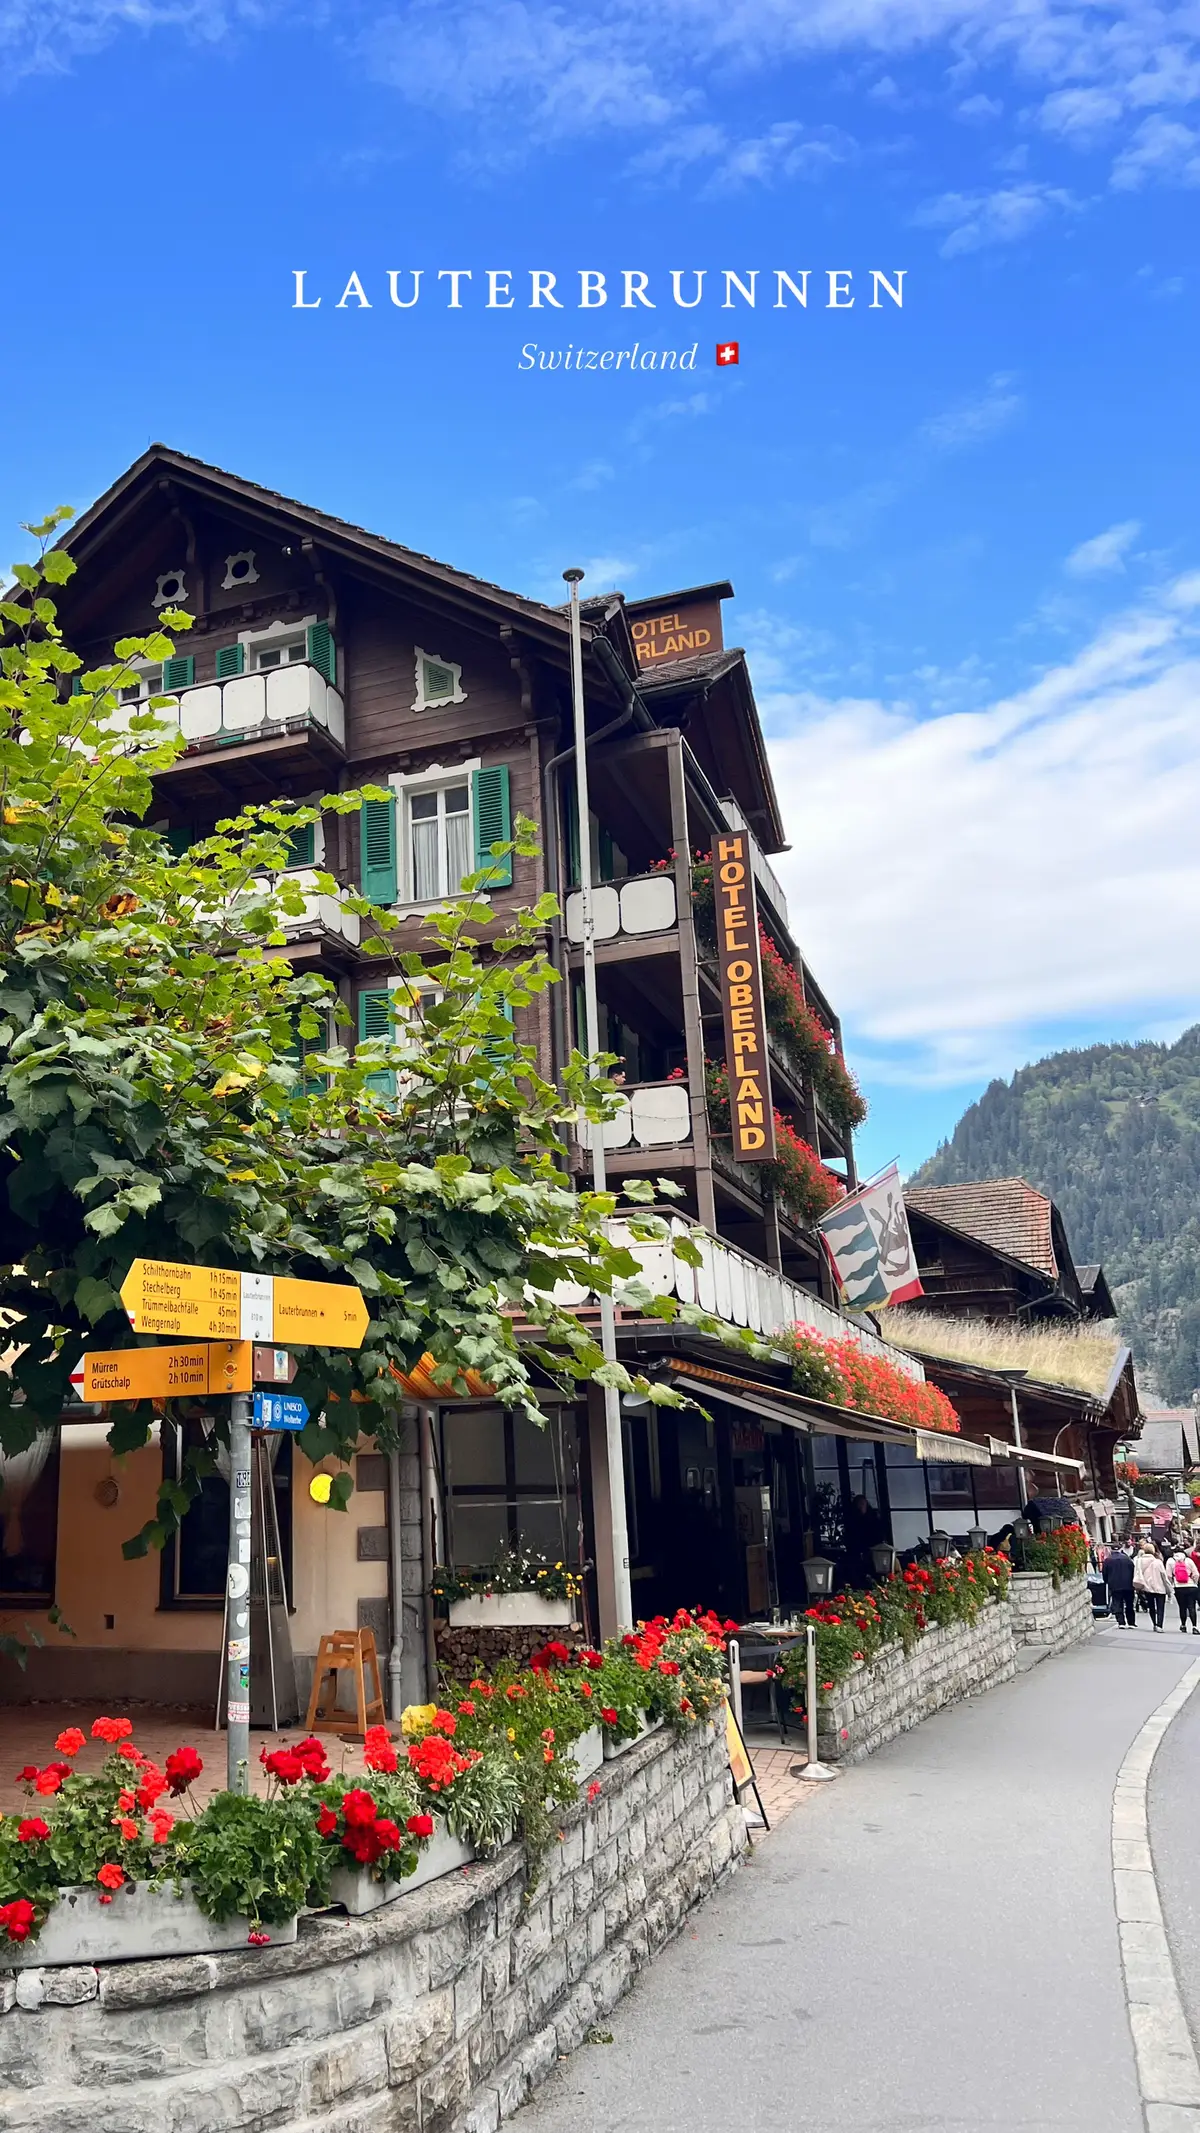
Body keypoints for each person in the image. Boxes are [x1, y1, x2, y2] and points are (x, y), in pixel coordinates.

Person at [1135, 1544, 1170, 1630]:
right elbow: (1164, 1576)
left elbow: (1137, 1573)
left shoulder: (1139, 1561)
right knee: (1160, 1607)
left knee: (1151, 1606)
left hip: (1147, 1587)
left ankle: (1154, 1623)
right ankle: (1159, 1625)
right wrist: (1169, 1589)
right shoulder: (1158, 1562)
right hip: (1159, 1587)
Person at [1103, 1544, 1137, 1627]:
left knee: (1117, 1602)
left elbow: (1105, 1573)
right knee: (1129, 1604)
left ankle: (1121, 1622)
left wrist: (1107, 1581)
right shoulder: (1127, 1559)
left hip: (1115, 1585)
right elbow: (1133, 1570)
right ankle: (1131, 1622)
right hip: (1128, 1585)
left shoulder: (1108, 1560)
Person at [1172, 1548, 1200, 1633]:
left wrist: (1173, 1584)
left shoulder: (1171, 1561)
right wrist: (1194, 1582)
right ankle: (1194, 1626)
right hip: (1191, 1586)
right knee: (1192, 1607)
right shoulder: (1189, 1560)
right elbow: (1196, 1574)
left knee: (1182, 1607)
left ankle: (1183, 1625)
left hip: (1178, 1587)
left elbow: (1169, 1575)